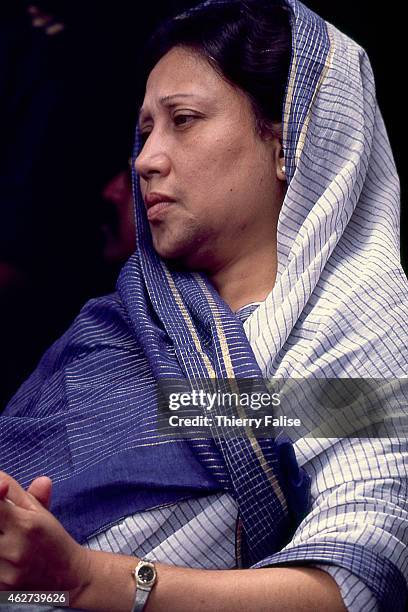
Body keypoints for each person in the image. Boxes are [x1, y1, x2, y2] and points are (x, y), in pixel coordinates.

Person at [0, 0, 407, 611]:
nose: (144, 160)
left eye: (183, 120)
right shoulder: (112, 332)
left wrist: (86, 578)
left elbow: (351, 583)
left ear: (287, 138)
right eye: (143, 132)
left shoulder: (354, 333)